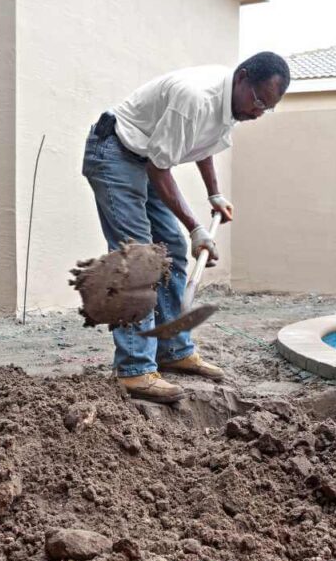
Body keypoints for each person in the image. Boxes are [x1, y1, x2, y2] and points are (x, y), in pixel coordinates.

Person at [82, 52, 290, 403]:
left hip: (144, 158)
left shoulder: (231, 103)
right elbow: (160, 168)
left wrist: (215, 194)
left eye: (266, 109)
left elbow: (201, 144)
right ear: (242, 78)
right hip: (115, 153)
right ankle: (134, 370)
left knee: (173, 250)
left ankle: (173, 350)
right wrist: (196, 226)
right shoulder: (195, 97)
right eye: (257, 102)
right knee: (138, 259)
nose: (257, 113)